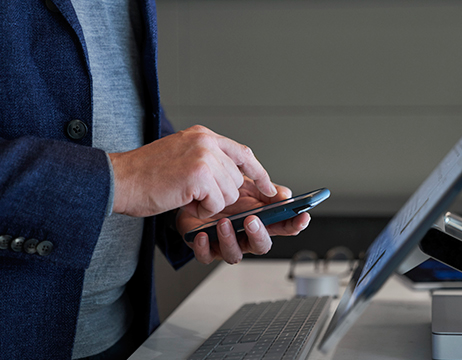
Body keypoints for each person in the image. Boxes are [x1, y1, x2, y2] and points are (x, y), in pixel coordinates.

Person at [0, 0, 310, 359]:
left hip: (127, 334)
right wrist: (121, 179)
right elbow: (124, 170)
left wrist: (186, 198)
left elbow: (120, 103)